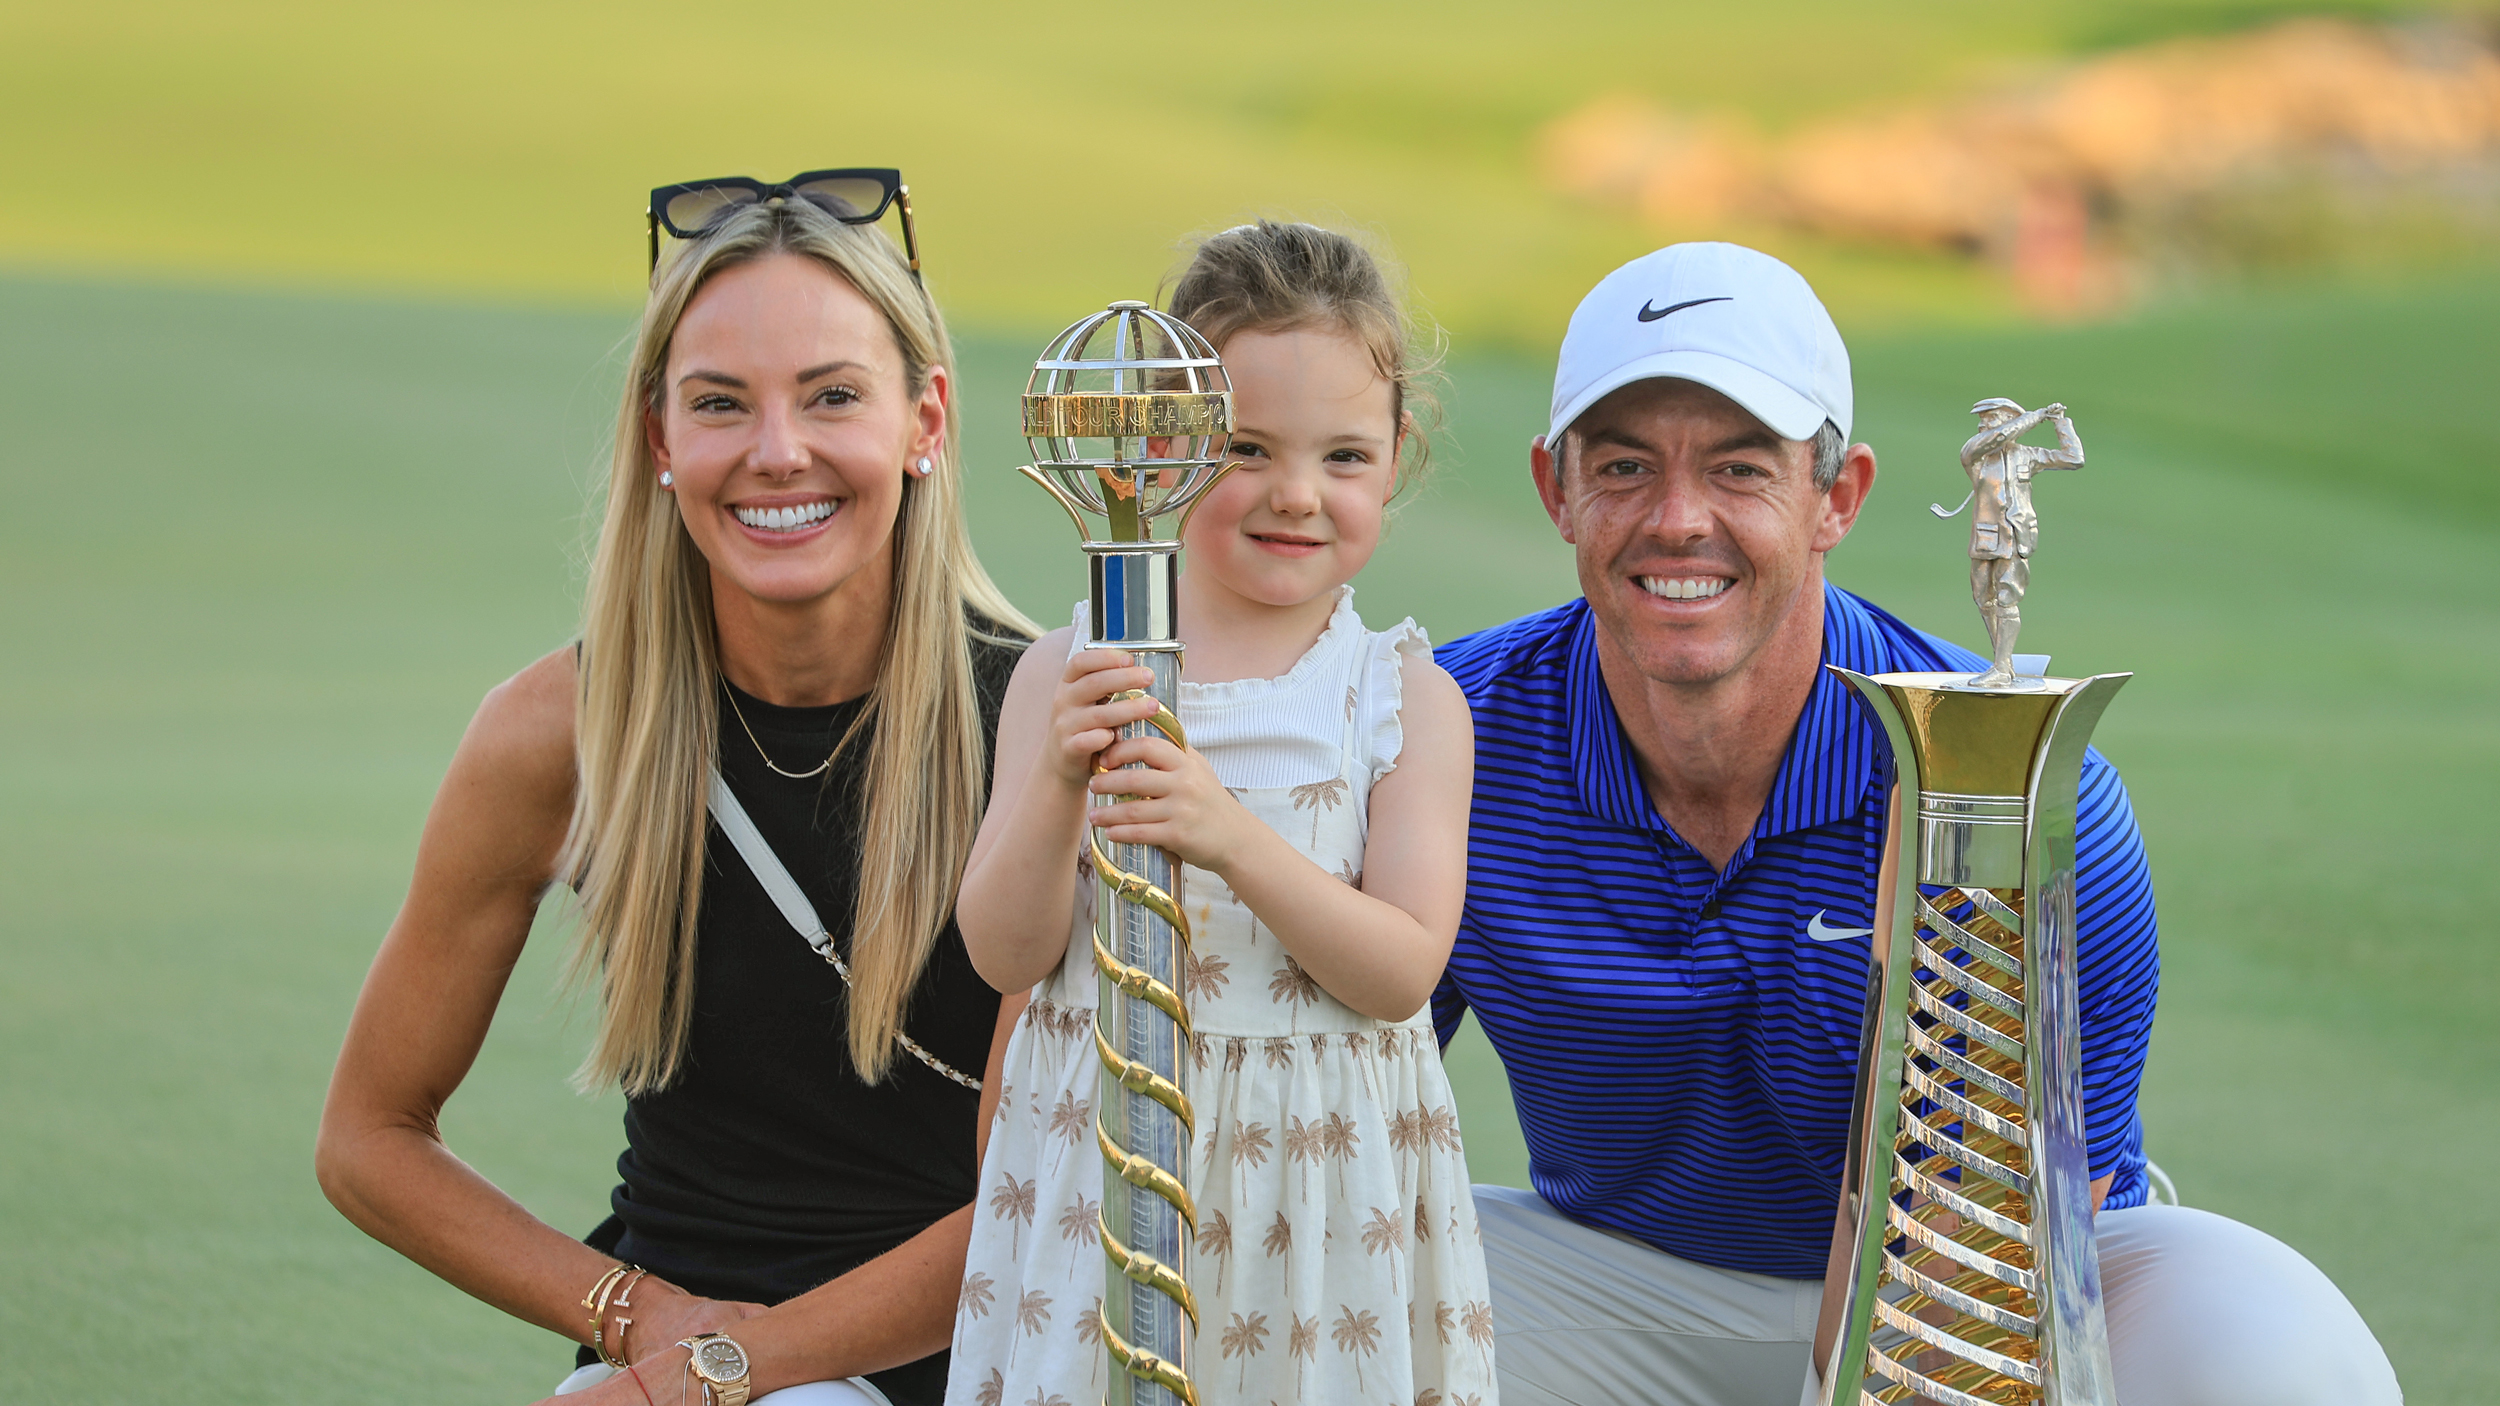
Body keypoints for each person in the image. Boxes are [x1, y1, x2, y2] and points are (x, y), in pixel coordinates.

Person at [1432, 241, 2403, 1406]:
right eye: (1627, 465)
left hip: (2002, 1274)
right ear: (1557, 489)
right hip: (1618, 1286)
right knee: (1314, 1276)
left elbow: (2043, 1195)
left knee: (2284, 1353)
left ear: (1836, 497)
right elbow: (1350, 1083)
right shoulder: (1447, 733)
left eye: (1741, 469)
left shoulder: (2018, 779)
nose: (1678, 518)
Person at [314, 182, 1037, 1406]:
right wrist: (642, 1318)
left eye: (832, 395)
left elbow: (1042, 1195)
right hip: (675, 1349)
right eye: (718, 403)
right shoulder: (562, 729)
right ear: (659, 439)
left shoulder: (1038, 727)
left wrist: (717, 1369)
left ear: (926, 420)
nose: (776, 451)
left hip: (975, 1351)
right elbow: (369, 1138)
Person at [946, 221, 1495, 1406]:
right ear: (1167, 439)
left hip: (1317, 1186)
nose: (1298, 493)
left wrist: (1230, 836)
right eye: (1246, 446)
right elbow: (1003, 949)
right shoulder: (1065, 668)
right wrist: (1053, 779)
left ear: (1397, 457)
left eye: (1345, 455)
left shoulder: (1399, 696)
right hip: (1099, 1163)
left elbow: (1400, 968)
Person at [1939, 395, 2083, 683]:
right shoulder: (1975, 453)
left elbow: (2074, 458)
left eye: (1991, 417)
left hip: (2016, 536)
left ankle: (2002, 667)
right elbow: (1998, 437)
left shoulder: (2027, 455)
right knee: (1983, 598)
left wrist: (2060, 423)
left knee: (2007, 598)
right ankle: (2001, 662)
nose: (1983, 424)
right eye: (1982, 419)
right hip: (1986, 537)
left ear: (2009, 418)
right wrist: (2035, 416)